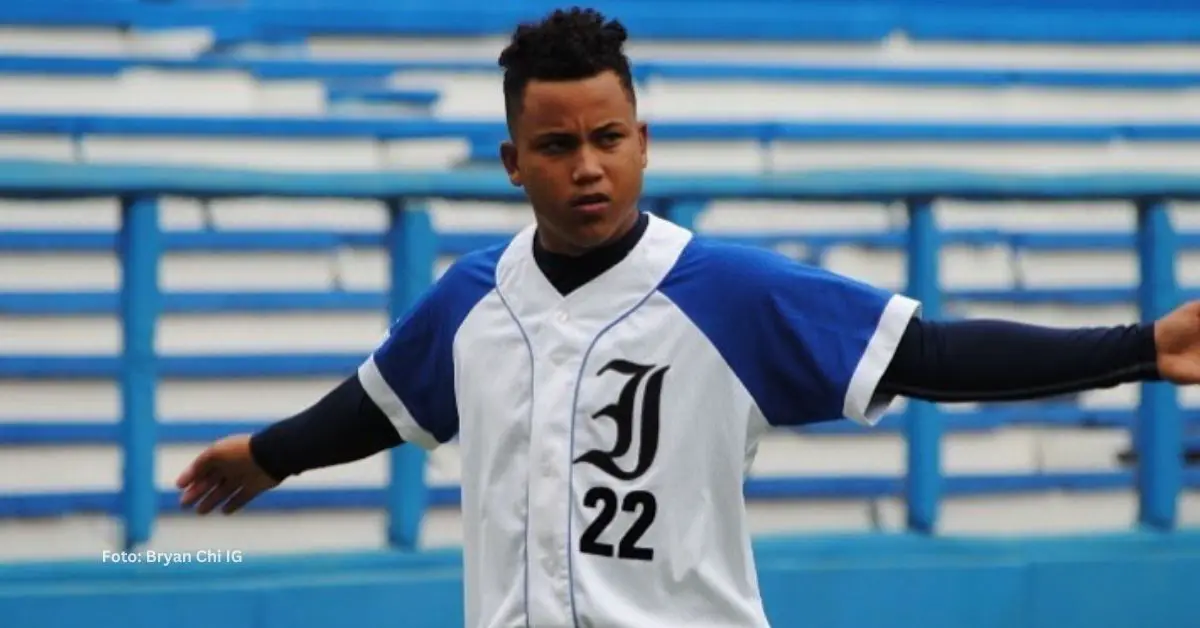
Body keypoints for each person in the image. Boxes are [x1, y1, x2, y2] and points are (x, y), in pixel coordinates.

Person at [175, 7, 1200, 627]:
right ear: (511, 162)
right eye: (556, 144)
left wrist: (1143, 349)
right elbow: (378, 402)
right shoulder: (471, 301)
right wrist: (270, 453)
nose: (586, 164)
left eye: (608, 136)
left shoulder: (729, 295)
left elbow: (927, 353)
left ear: (643, 141)